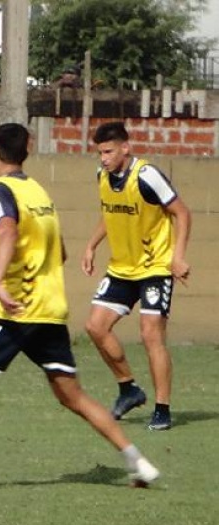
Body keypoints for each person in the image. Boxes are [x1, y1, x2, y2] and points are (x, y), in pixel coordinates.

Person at [0, 123, 159, 497]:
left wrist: (0, 279)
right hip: (51, 308)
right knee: (71, 396)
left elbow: (7, 231)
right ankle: (138, 461)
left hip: (17, 309)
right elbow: (60, 251)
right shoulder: (38, 192)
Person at [81, 121, 191, 431]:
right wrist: (91, 245)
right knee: (95, 326)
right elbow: (110, 211)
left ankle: (162, 408)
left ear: (125, 147)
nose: (103, 158)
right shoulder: (102, 176)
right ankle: (128, 388)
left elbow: (182, 213)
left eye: (109, 151)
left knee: (150, 334)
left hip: (156, 266)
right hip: (122, 267)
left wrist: (177, 257)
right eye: (100, 152)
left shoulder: (147, 176)